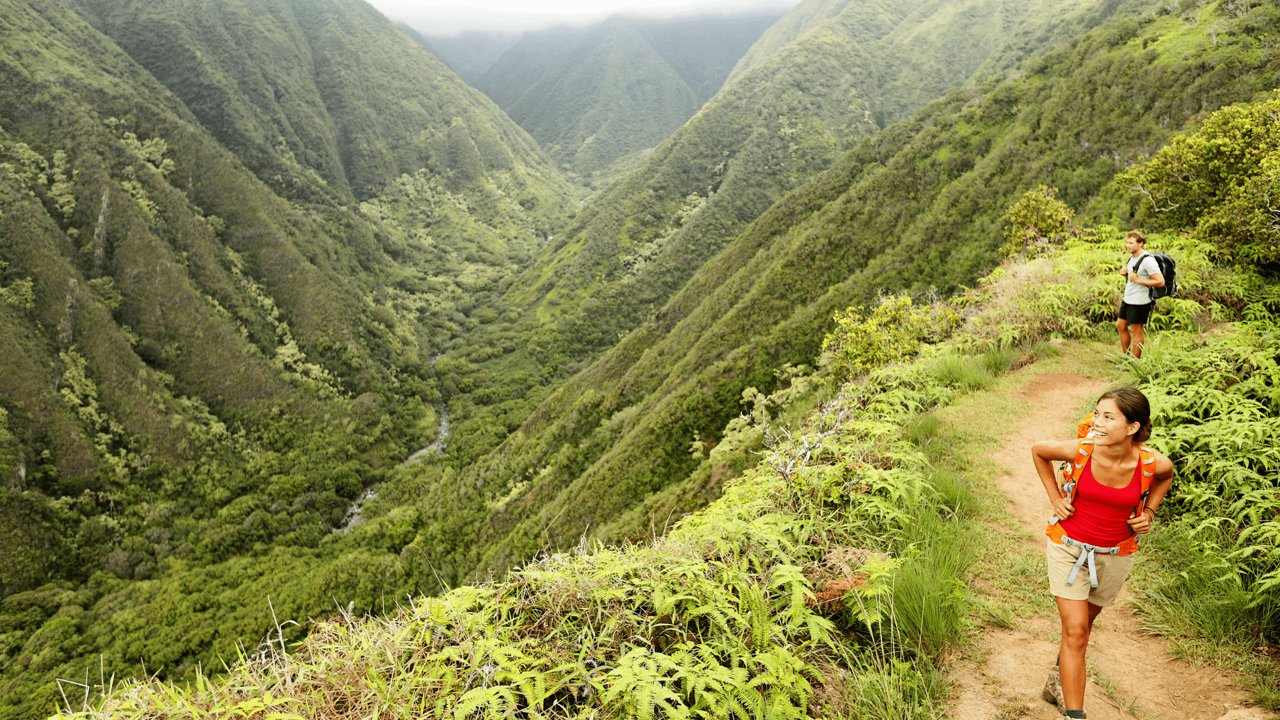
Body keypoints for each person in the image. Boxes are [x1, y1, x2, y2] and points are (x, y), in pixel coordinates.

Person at [1031, 387, 1174, 720]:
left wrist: (1149, 511)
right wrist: (1055, 498)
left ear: (1132, 428)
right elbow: (1039, 452)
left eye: (1108, 417)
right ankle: (1075, 714)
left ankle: (1057, 677)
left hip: (1115, 555)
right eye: (1097, 413)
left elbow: (1166, 477)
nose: (1097, 422)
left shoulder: (1151, 464)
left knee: (1082, 628)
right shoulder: (1082, 451)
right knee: (1077, 630)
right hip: (1068, 547)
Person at [1115, 230, 1165, 359]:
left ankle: (1135, 362)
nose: (1127, 245)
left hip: (1140, 301)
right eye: (1127, 242)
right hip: (1129, 298)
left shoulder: (1148, 260)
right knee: (1120, 325)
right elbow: (1135, 275)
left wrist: (1138, 280)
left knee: (1136, 331)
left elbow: (1160, 281)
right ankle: (1125, 357)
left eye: (1131, 243)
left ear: (1140, 244)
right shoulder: (1132, 257)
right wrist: (1125, 273)